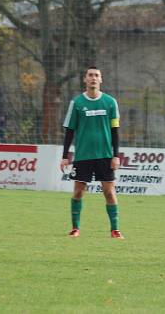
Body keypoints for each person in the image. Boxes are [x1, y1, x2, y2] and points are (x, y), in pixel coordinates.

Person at [59, 66, 123, 239]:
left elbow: (115, 130)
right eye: (90, 75)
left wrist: (116, 155)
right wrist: (65, 156)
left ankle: (115, 230)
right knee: (79, 192)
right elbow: (70, 130)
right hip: (83, 156)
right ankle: (75, 228)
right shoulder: (77, 103)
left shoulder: (110, 102)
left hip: (105, 156)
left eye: (96, 75)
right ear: (85, 79)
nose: (93, 78)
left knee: (109, 192)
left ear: (101, 79)